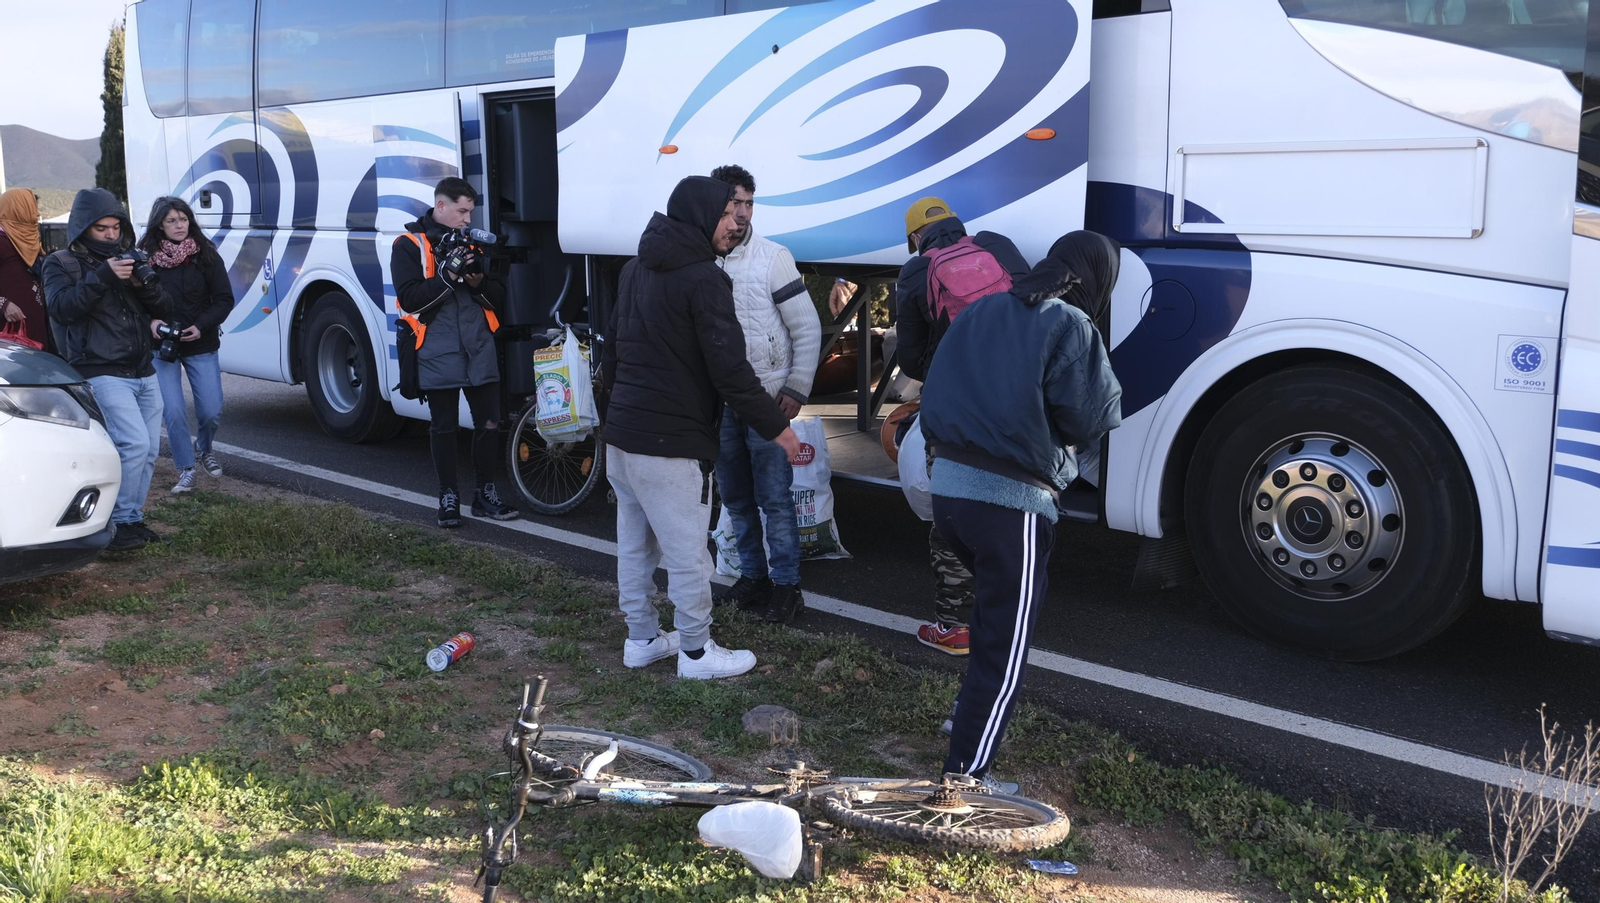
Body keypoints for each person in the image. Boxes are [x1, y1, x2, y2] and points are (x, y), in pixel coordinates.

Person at [920, 232, 1123, 792]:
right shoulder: (1070, 324)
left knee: (989, 627)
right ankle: (964, 779)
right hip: (1012, 504)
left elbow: (936, 392)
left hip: (950, 495)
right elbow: (1089, 420)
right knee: (1003, 652)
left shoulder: (981, 310)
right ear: (1097, 279)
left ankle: (965, 722)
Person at [604, 175, 802, 680]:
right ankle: (695, 652)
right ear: (700, 216)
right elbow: (730, 370)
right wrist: (777, 428)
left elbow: (613, 353)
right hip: (670, 443)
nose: (735, 222)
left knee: (635, 546)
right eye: (725, 213)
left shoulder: (634, 268)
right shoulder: (704, 278)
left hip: (623, 438)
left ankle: (642, 639)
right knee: (688, 552)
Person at [894, 197, 1029, 656]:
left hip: (953, 409)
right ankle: (1009, 618)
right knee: (1008, 506)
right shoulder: (997, 245)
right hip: (1013, 401)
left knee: (953, 510)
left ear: (917, 237)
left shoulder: (916, 271)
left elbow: (910, 358)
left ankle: (954, 628)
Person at [708, 164, 821, 624]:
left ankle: (787, 587)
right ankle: (753, 579)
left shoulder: (773, 257)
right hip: (721, 402)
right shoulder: (704, 258)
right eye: (734, 203)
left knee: (775, 499)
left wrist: (796, 387)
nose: (742, 214)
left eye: (749, 204)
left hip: (767, 401)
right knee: (735, 498)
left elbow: (807, 326)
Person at [41, 188, 172, 553]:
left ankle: (130, 519)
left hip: (143, 369)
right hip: (101, 369)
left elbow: (165, 306)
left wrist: (142, 284)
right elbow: (62, 309)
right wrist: (102, 277)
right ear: (83, 227)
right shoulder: (60, 263)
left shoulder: (129, 258)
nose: (111, 235)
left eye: (116, 227)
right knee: (133, 444)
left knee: (148, 451)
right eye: (102, 229)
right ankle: (113, 525)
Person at [391, 177, 518, 528]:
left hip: (478, 346)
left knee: (490, 423)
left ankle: (485, 494)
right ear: (441, 205)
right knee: (444, 426)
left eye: (470, 212)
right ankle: (448, 497)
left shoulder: (472, 244)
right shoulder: (408, 244)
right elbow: (410, 299)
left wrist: (478, 283)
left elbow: (498, 299)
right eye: (462, 211)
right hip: (436, 348)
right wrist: (448, 275)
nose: (467, 219)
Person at [138, 196, 233, 493]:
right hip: (161, 346)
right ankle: (186, 468)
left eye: (183, 219)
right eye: (171, 221)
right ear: (160, 225)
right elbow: (132, 302)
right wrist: (151, 323)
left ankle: (205, 449)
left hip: (201, 342)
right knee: (174, 411)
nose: (179, 225)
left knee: (211, 411)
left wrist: (201, 325)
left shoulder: (206, 255)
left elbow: (224, 300)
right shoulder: (145, 259)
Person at [0, 188, 49, 350]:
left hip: (36, 327)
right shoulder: (2, 240)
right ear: (18, 210)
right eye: (31, 208)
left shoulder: (27, 239)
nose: (36, 214)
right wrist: (3, 304)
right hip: (10, 332)